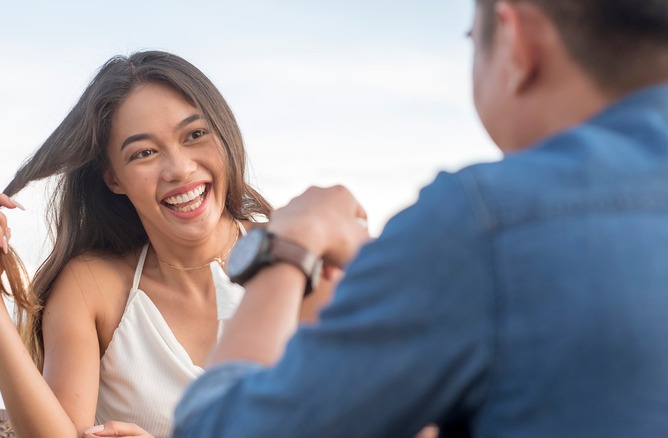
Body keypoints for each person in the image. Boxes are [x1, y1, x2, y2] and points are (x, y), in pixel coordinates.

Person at [172, 0, 668, 436]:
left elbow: (216, 428)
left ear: (517, 37)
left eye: (473, 39)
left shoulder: (481, 223)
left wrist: (287, 245)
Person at [0, 51, 333, 438]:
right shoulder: (93, 286)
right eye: (144, 153)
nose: (179, 169)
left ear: (225, 134)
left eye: (195, 135)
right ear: (114, 179)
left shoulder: (296, 255)